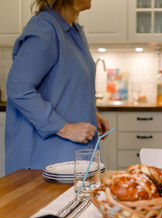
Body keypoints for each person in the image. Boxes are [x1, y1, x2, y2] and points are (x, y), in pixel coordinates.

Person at [5, 0, 109, 174]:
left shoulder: (73, 31)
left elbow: (66, 85)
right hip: (43, 160)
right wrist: (65, 128)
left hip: (69, 157)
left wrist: (91, 112)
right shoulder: (45, 29)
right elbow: (19, 88)